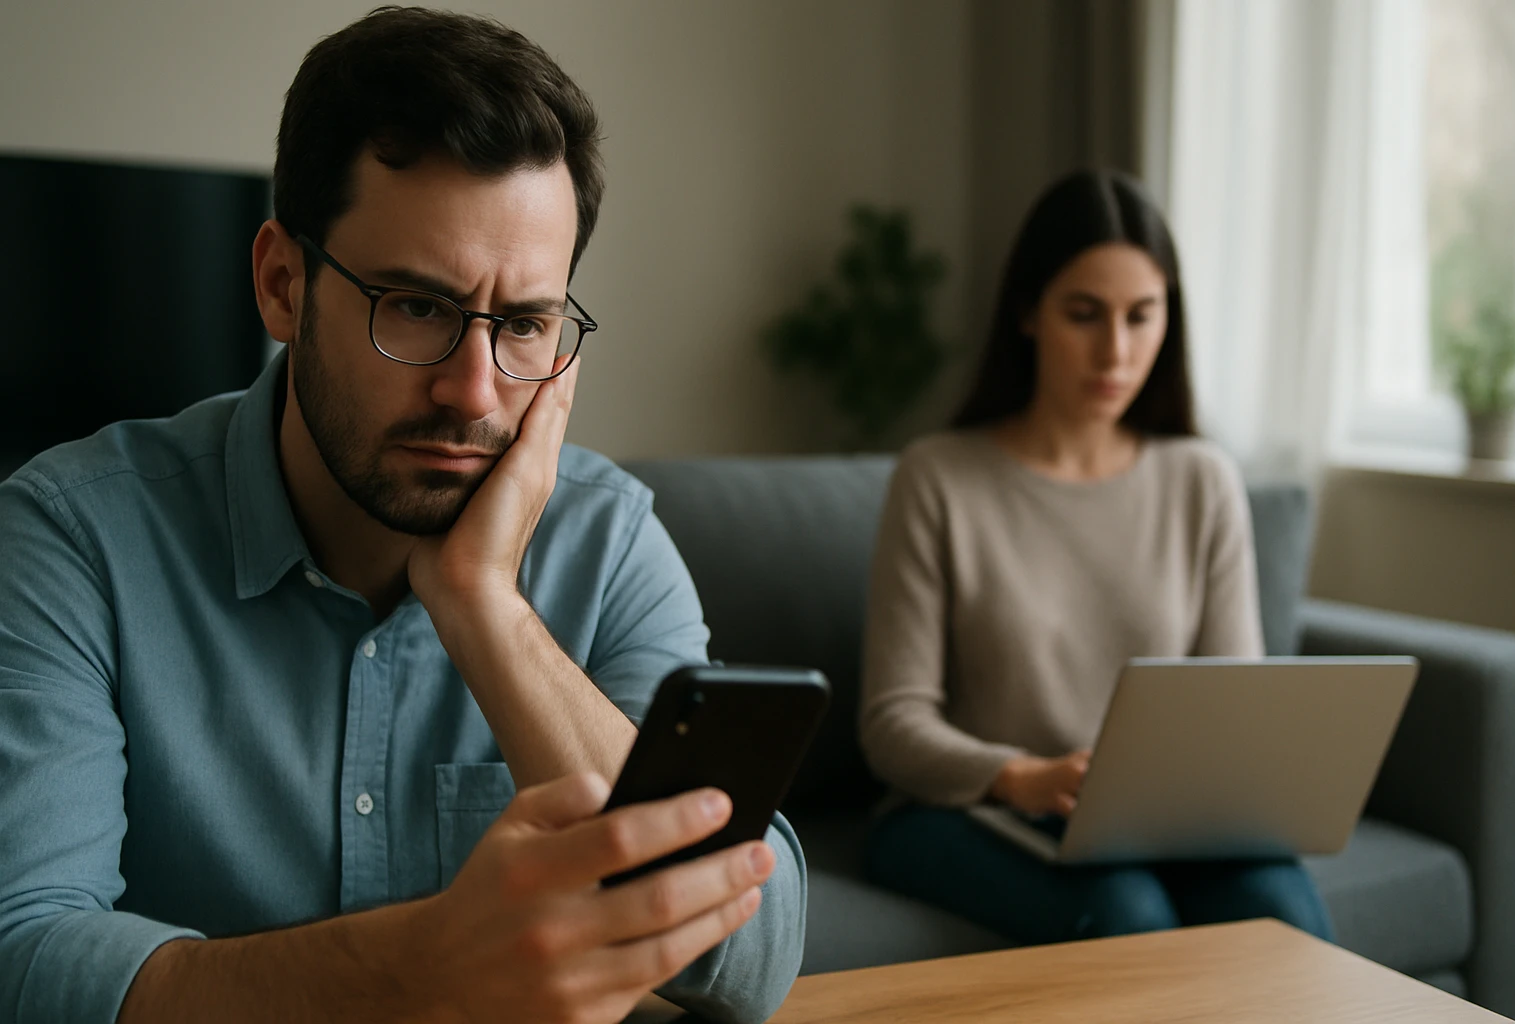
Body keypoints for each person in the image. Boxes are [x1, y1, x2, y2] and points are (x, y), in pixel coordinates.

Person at [0, 9, 804, 1024]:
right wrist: (410, 969)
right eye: (416, 307)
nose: (474, 393)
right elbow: (23, 955)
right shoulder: (70, 538)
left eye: (523, 325)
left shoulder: (608, 541)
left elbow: (754, 953)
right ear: (282, 283)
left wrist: (485, 607)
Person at [858, 170, 1333, 946]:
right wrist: (1024, 777)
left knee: (1280, 910)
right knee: (1128, 913)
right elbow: (892, 725)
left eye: (1142, 317)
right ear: (1028, 314)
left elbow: (1231, 708)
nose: (1116, 350)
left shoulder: (1201, 480)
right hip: (969, 812)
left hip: (1163, 822)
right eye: (1085, 315)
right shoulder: (938, 477)